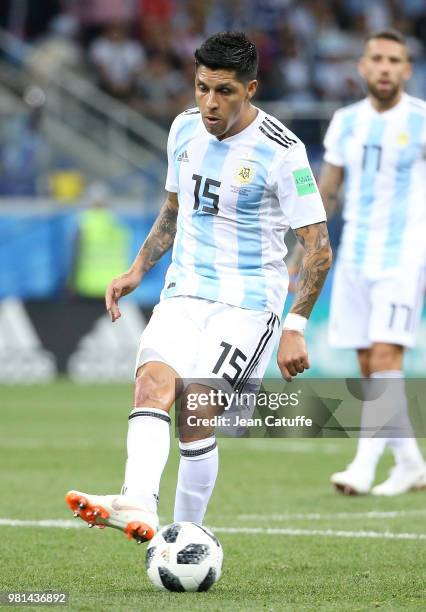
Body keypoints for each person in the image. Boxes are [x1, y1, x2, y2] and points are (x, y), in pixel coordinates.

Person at [66, 31, 332, 542]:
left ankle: (186, 535)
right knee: (150, 385)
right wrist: (137, 270)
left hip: (248, 303)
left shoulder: (284, 152)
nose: (210, 102)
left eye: (225, 91)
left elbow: (318, 248)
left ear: (251, 89)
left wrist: (295, 326)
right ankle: (137, 504)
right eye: (202, 87)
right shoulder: (183, 129)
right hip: (184, 292)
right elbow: (173, 208)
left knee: (195, 408)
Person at [320, 29, 426, 496]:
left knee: (386, 355)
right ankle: (411, 464)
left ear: (407, 69)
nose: (385, 67)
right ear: (362, 67)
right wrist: (304, 249)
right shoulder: (345, 122)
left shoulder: (422, 120)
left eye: (394, 60)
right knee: (370, 365)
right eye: (377, 58)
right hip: (355, 256)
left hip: (402, 255)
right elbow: (329, 190)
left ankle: (363, 466)